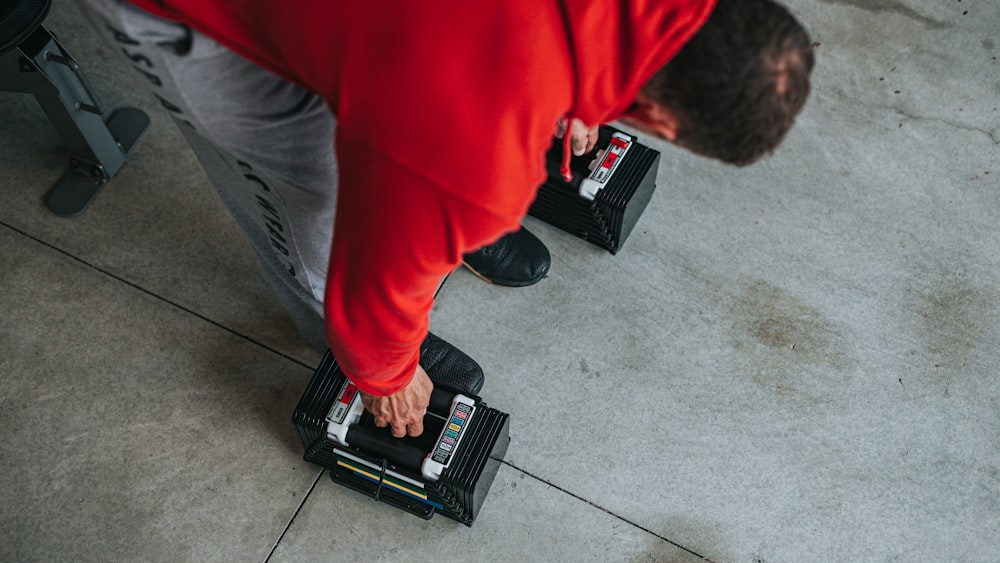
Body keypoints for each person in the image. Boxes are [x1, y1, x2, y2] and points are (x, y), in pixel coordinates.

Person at [76, 0, 813, 439]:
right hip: (202, 17)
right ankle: (333, 329)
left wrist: (587, 91)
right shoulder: (473, 151)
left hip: (403, 50)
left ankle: (435, 224)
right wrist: (384, 367)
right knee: (310, 189)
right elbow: (374, 288)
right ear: (665, 122)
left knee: (422, 162)